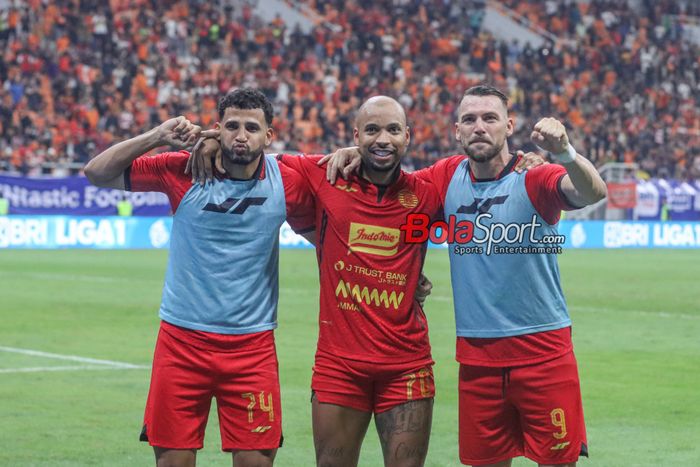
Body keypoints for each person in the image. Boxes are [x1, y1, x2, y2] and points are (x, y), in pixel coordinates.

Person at [190, 95, 546, 467]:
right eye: (372, 130)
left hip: (406, 364)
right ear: (355, 134)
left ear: (407, 137)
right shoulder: (323, 174)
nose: (383, 139)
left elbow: (487, 158)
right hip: (338, 366)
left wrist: (525, 159)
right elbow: (257, 155)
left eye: (393, 130)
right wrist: (217, 140)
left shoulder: (429, 188)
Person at [324, 84, 607, 467]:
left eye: (490, 118)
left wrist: (565, 152)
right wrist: (352, 152)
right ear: (456, 130)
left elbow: (592, 191)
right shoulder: (445, 177)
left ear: (508, 126)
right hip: (477, 358)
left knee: (559, 462)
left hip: (543, 353)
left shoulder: (534, 177)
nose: (479, 127)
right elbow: (394, 193)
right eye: (469, 119)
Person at [83, 88, 317, 467]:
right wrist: (157, 136)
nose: (241, 135)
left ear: (269, 136)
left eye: (252, 127)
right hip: (181, 343)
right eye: (232, 126)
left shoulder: (286, 178)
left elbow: (326, 233)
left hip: (252, 347)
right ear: (217, 130)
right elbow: (97, 172)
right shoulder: (183, 168)